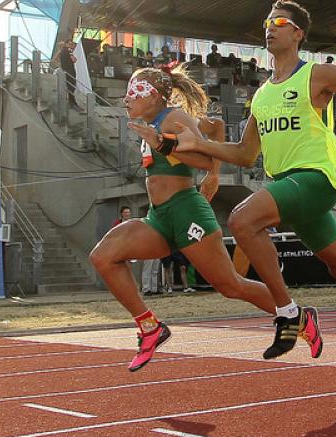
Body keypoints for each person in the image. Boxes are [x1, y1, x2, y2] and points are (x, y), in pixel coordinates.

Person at [144, 0, 336, 378]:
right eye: (266, 22)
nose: (270, 27)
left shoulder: (317, 75)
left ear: (298, 33)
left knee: (242, 220)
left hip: (317, 179)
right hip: (290, 187)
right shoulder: (261, 95)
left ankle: (288, 314)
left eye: (279, 22)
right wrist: (190, 145)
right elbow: (243, 154)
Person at [104, 65, 318, 373]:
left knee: (231, 286)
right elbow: (216, 128)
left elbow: (203, 157)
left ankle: (298, 316)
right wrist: (213, 175)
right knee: (104, 256)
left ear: (152, 96)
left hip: (187, 211)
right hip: (159, 217)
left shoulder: (173, 119)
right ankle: (150, 328)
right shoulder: (157, 121)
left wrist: (195, 162)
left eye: (132, 93)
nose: (126, 99)